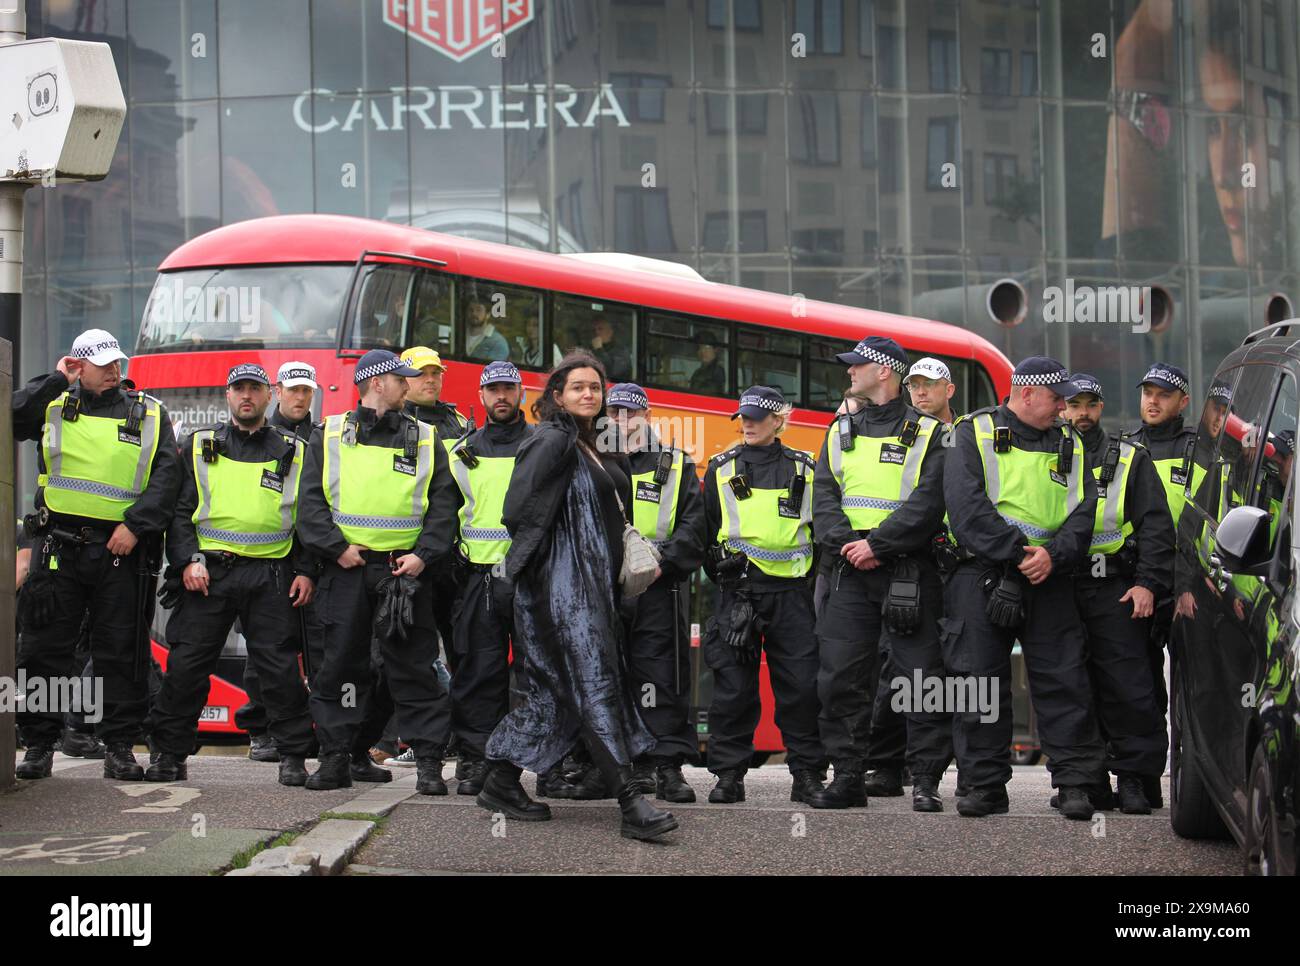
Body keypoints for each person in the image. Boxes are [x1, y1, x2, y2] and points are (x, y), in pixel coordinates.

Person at [477, 352, 678, 841]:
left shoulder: (589, 443)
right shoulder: (552, 437)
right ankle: (632, 804)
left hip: (588, 587)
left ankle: (500, 783)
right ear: (557, 396)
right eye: (578, 387)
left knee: (555, 696)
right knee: (595, 685)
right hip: (558, 593)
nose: (589, 394)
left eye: (595, 387)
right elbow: (515, 508)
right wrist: (551, 565)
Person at [13, 329, 181, 781]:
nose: (113, 370)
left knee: (120, 652)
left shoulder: (147, 412)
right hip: (57, 548)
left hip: (119, 550)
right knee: (44, 651)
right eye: (102, 363)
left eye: (117, 363)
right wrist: (55, 379)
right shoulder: (52, 405)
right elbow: (12, 418)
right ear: (78, 365)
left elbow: (169, 477)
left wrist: (136, 525)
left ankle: (120, 746)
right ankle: (39, 745)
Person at [942, 357, 1106, 820]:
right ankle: (984, 785)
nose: (1064, 408)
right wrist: (1020, 554)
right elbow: (965, 507)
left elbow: (1085, 509)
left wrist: (1053, 555)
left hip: (1049, 575)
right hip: (983, 573)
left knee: (1064, 678)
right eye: (1057, 398)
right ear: (1028, 393)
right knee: (978, 681)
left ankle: (1074, 783)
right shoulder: (973, 433)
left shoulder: (1071, 442)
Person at [295, 349, 458, 795]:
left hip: (404, 573)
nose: (409, 386)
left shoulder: (425, 438)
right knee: (341, 667)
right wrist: (336, 549)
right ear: (376, 383)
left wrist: (424, 555)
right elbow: (309, 505)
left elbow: (444, 507)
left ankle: (428, 763)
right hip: (346, 571)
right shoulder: (327, 435)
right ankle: (335, 757)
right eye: (401, 379)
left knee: (414, 668)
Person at [146, 364, 317, 786]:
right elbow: (180, 513)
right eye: (239, 389)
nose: (247, 396)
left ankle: (293, 755)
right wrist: (187, 561)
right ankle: (169, 754)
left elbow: (308, 517)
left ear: (268, 394)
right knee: (187, 666)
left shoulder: (294, 449)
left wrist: (306, 571)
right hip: (210, 575)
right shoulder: (201, 445)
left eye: (254, 389)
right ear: (228, 396)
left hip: (273, 575)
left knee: (280, 671)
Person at [810, 337, 951, 812]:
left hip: (908, 570)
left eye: (858, 366)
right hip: (851, 568)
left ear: (885, 372)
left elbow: (929, 503)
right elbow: (824, 497)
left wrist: (878, 544)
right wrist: (850, 546)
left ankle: (927, 780)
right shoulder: (840, 429)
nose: (850, 372)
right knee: (840, 677)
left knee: (920, 678)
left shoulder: (931, 433)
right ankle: (848, 776)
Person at [701, 385, 825, 805]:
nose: (748, 424)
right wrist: (726, 577)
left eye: (757, 417)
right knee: (733, 689)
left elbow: (821, 538)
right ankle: (729, 776)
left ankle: (807, 775)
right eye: (744, 418)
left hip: (792, 596)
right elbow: (706, 538)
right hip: (738, 594)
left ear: (778, 420)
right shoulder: (719, 469)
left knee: (801, 687)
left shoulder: (806, 469)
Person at [1063, 374, 1173, 815]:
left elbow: (1156, 525)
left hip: (1116, 587)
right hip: (1061, 586)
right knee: (1073, 686)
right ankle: (1086, 781)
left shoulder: (1129, 457)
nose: (1083, 414)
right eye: (1074, 405)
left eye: (1091, 404)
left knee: (1129, 687)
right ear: (1061, 408)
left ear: (1101, 407)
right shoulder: (1045, 454)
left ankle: (1131, 778)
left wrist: (1147, 583)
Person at [861, 356, 960, 796]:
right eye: (915, 385)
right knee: (892, 669)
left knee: (943, 672)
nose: (920, 393)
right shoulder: (904, 433)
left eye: (930, 386)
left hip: (957, 571)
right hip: (905, 564)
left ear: (949, 390)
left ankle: (943, 771)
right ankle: (886, 766)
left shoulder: (964, 437)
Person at [606, 383, 707, 802]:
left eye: (630, 413)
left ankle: (666, 767)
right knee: (607, 676)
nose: (621, 420)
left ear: (646, 416)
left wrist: (661, 563)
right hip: (605, 589)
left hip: (657, 589)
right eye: (614, 413)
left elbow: (695, 526)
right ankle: (617, 766)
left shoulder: (676, 464)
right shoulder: (592, 462)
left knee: (662, 678)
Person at [446, 360, 535, 796]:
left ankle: (542, 760)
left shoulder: (542, 445)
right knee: (479, 673)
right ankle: (477, 758)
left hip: (531, 578)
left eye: (509, 388)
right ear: (481, 396)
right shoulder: (462, 450)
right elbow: (445, 517)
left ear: (521, 394)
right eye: (493, 389)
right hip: (478, 577)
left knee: (538, 674)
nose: (501, 396)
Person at [1124, 362, 1199, 808]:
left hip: (1190, 584)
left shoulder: (1202, 452)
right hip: (1141, 580)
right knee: (1140, 686)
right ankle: (1142, 779)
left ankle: (1192, 780)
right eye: (1147, 393)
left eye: (1164, 394)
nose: (1153, 401)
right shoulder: (1127, 449)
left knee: (1193, 689)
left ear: (1182, 402)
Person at [238, 359, 320, 762]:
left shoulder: (321, 438)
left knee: (312, 648)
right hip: (268, 560)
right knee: (265, 651)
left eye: (307, 391)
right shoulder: (262, 435)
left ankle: (312, 728)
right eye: (294, 390)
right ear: (278, 392)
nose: (301, 397)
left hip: (310, 559)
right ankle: (261, 729)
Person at [904, 357, 957, 426]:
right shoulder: (901, 432)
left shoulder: (967, 432)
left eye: (929, 384)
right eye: (914, 386)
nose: (921, 392)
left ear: (949, 390)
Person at [590, 317, 631, 382]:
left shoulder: (621, 351)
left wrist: (599, 350)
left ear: (610, 332)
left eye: (600, 329)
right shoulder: (591, 350)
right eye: (594, 330)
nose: (596, 332)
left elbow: (612, 373)